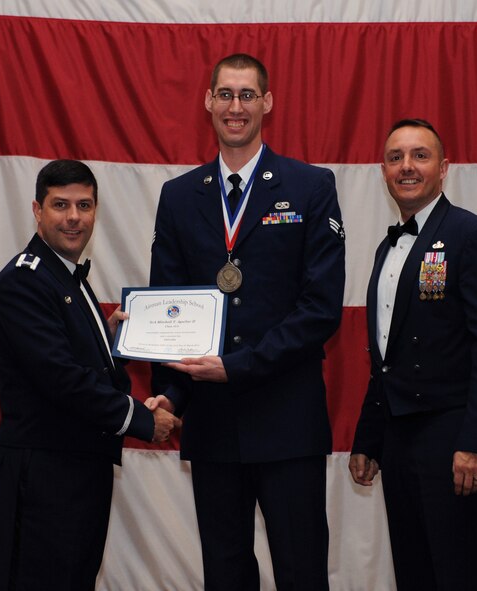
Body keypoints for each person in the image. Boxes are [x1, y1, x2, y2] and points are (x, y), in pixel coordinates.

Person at [146, 54, 346, 590]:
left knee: (301, 573)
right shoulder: (179, 195)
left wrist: (237, 367)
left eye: (247, 95)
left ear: (267, 103)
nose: (236, 107)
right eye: (226, 95)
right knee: (226, 575)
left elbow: (321, 308)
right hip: (212, 426)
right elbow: (171, 304)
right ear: (208, 102)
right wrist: (170, 393)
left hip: (287, 421)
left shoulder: (311, 187)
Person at [0, 159, 180, 591]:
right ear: (37, 210)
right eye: (61, 205)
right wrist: (143, 420)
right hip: (43, 479)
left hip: (74, 474)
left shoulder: (65, 278)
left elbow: (72, 362)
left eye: (85, 205)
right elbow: (62, 379)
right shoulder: (25, 281)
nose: (74, 217)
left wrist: (110, 346)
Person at [349, 119, 477, 590]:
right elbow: (386, 355)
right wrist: (369, 437)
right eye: (395, 157)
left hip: (454, 440)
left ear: (444, 169)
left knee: (463, 573)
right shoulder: (388, 248)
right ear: (382, 170)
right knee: (416, 571)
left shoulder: (476, 235)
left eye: (419, 156)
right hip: (399, 439)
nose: (407, 167)